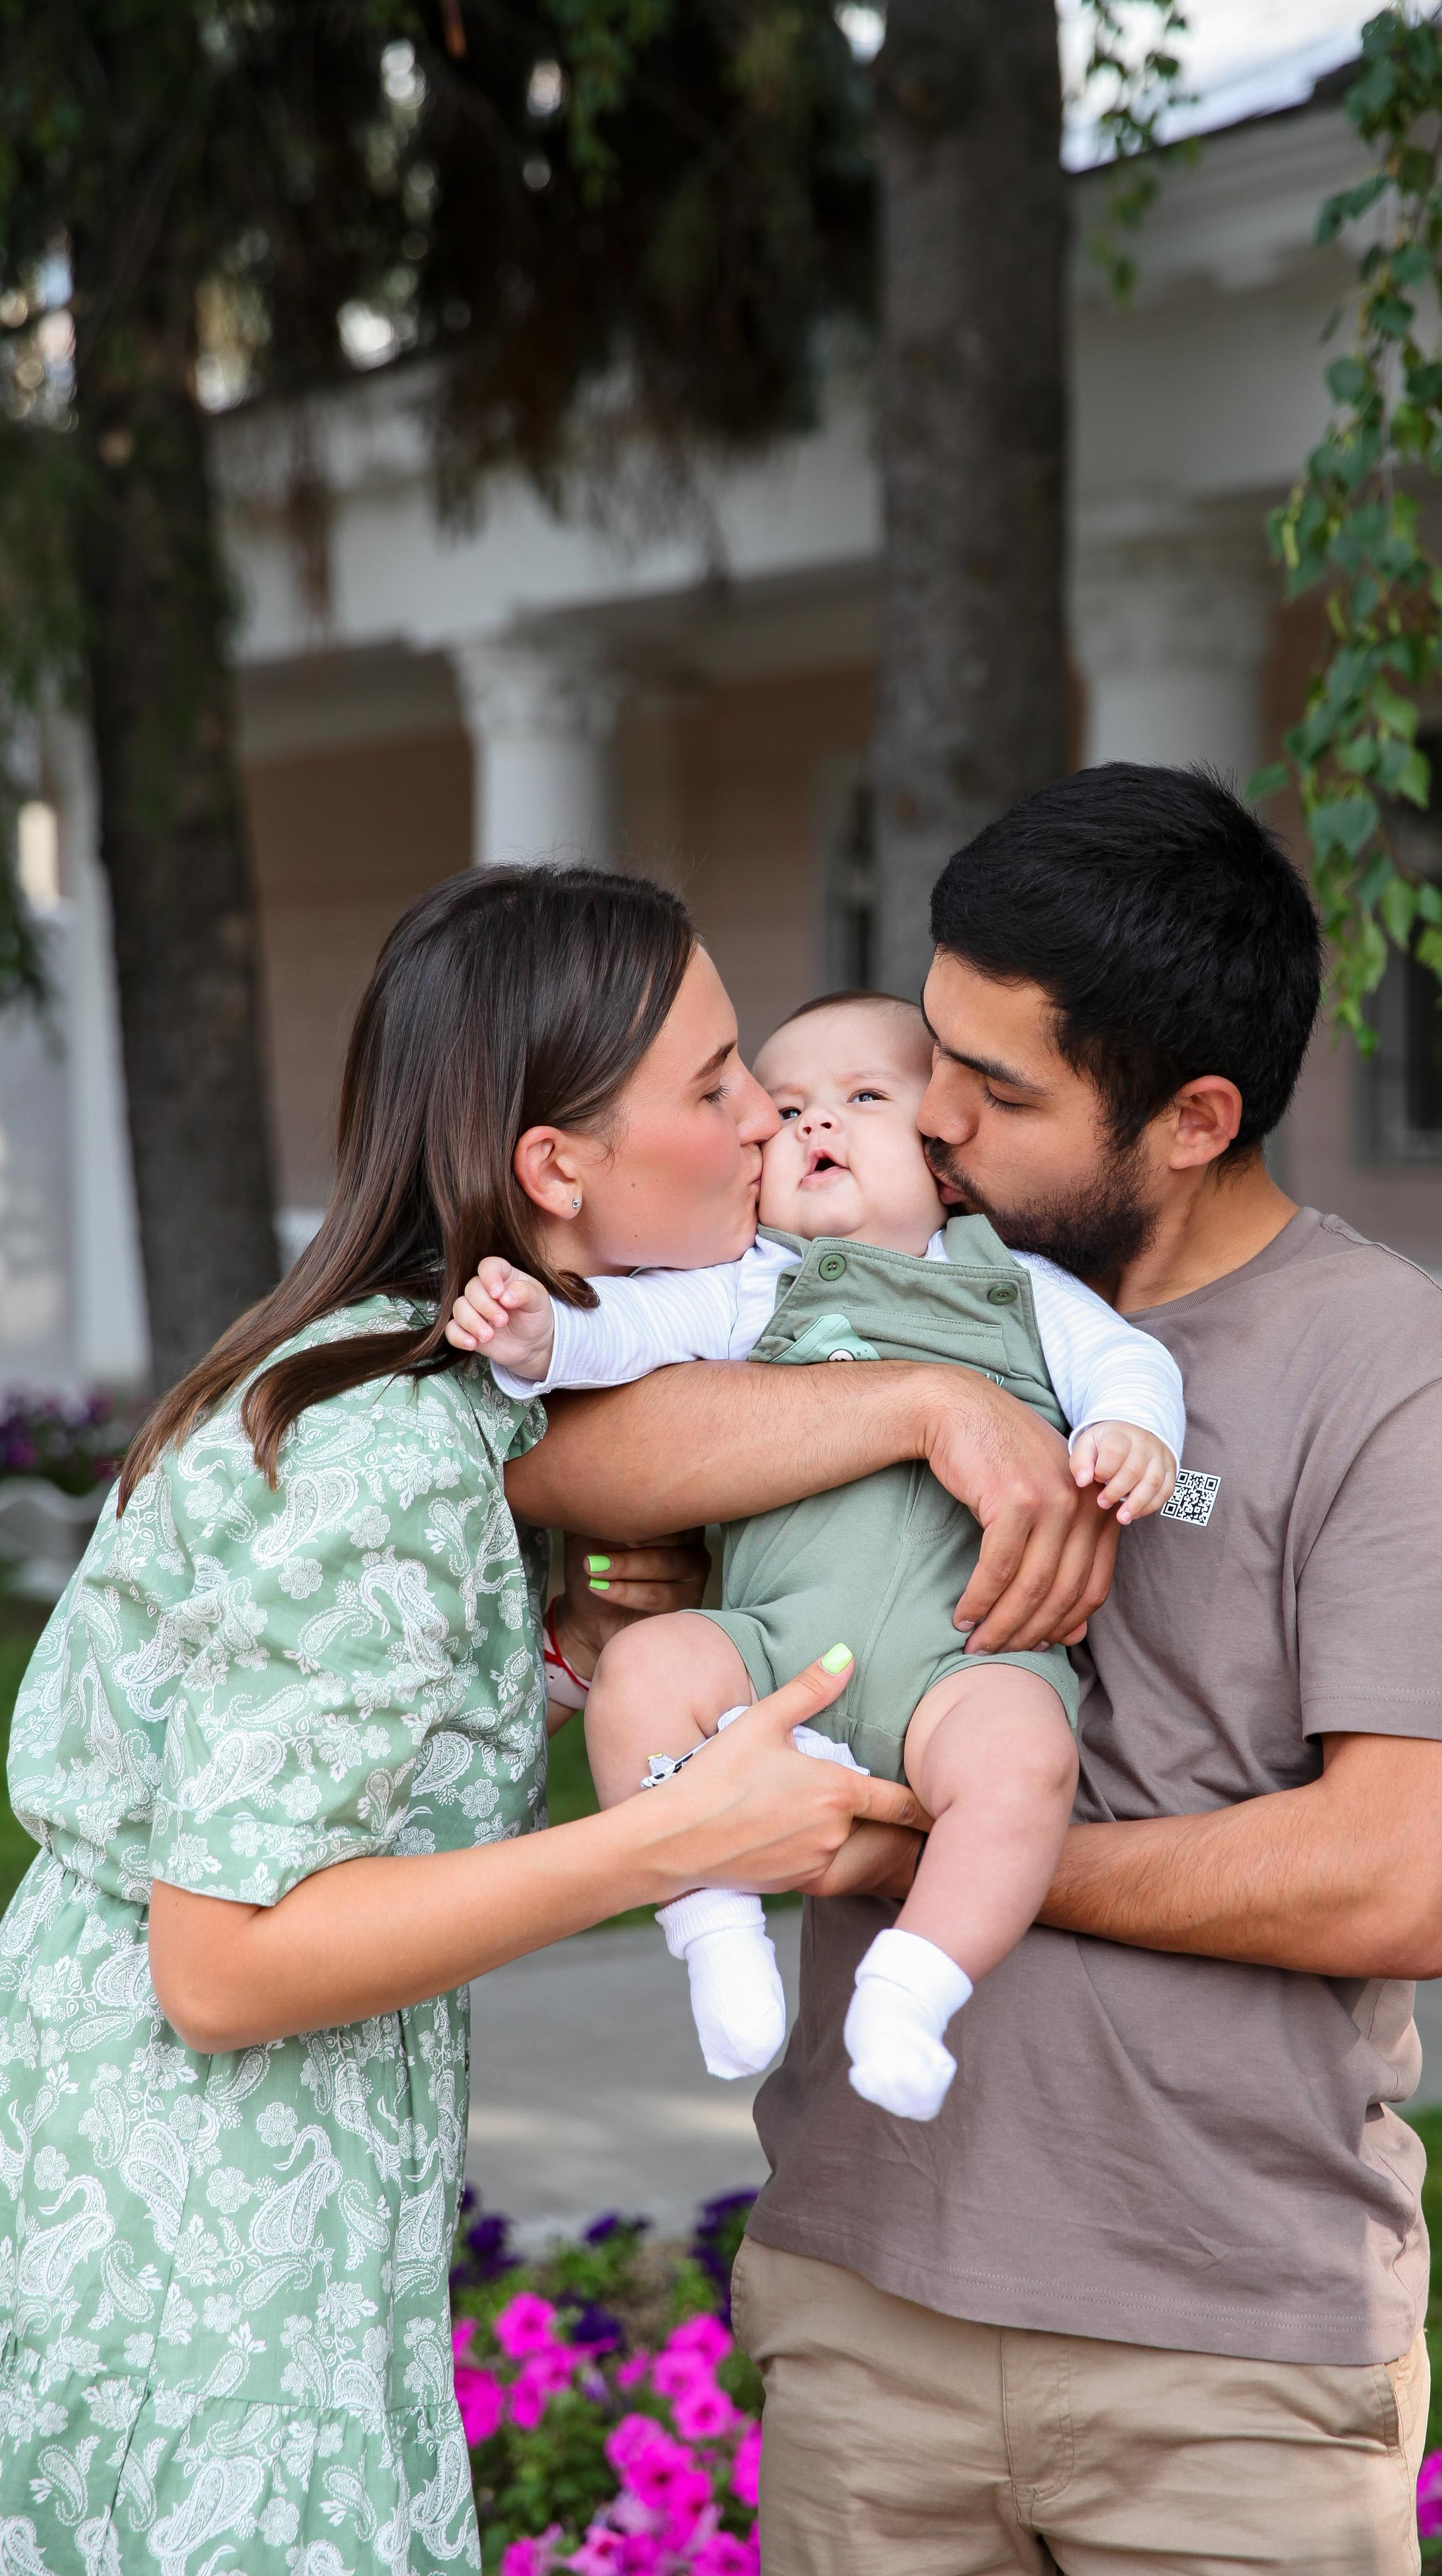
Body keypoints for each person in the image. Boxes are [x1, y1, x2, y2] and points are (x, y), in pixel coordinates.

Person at [510, 767, 1442, 2576]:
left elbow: (1399, 1873)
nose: (938, 1118)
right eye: (935, 1055)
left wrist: (910, 1855)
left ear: (1195, 1116)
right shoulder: (839, 1280)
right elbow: (568, 1459)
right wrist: (921, 1401)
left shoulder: (1394, 1374)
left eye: (998, 1090)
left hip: (1229, 2345)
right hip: (864, 2296)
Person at [0, 867, 954, 2576]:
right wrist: (669, 1842)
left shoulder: (401, 1369)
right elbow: (221, 1961)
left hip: (190, 2158)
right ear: (554, 1168)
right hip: (196, 2210)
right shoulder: (390, 1447)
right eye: (718, 1079)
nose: (767, 1123)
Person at [445, 990, 1183, 2121]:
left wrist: (1128, 1433)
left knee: (1024, 1767)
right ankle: (710, 1927)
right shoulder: (756, 1284)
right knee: (644, 1676)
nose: (812, 1125)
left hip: (966, 1659)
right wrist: (544, 1338)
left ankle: (911, 1987)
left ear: (942, 1162)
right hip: (771, 1648)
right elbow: (627, 1338)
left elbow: (1126, 1363)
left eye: (862, 1099)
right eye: (784, 1109)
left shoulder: (1015, 1281)